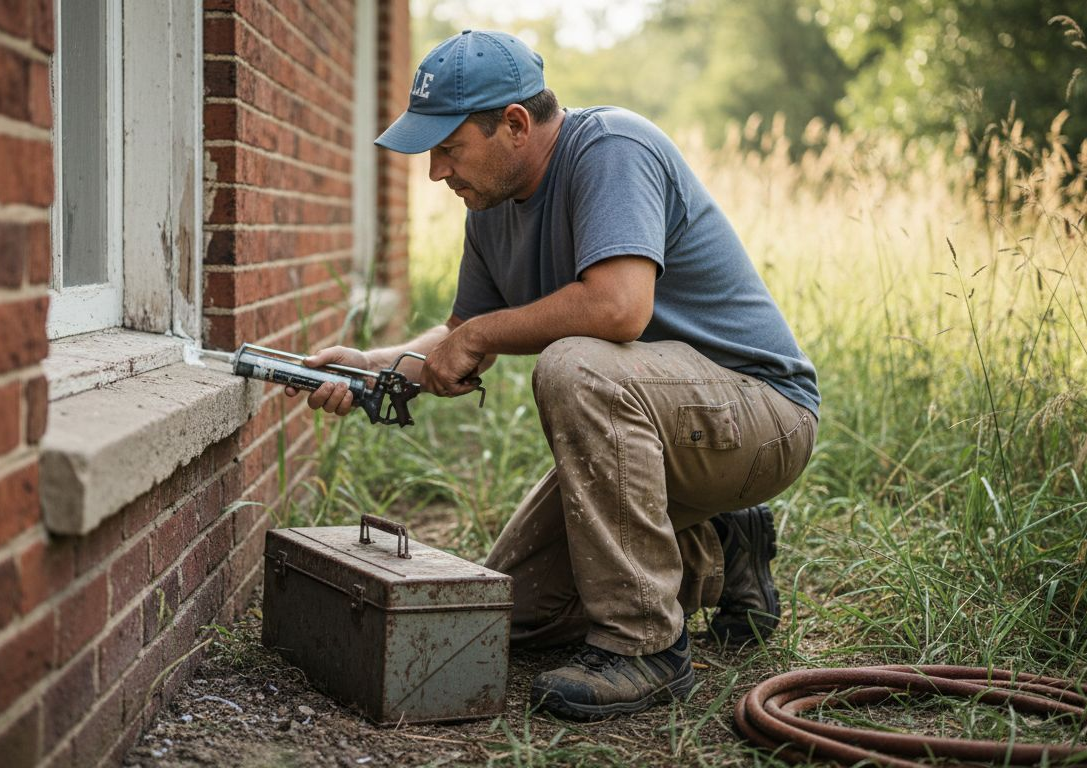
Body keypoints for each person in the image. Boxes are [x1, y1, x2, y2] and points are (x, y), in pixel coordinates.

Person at [285, 30, 819, 722]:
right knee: (517, 611)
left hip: (760, 414)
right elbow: (458, 336)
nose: (436, 173)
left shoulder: (611, 147)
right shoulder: (490, 208)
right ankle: (722, 547)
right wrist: (376, 367)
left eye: (448, 149)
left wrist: (479, 334)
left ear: (513, 124)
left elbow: (618, 307)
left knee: (573, 365)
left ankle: (645, 647)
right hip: (664, 427)